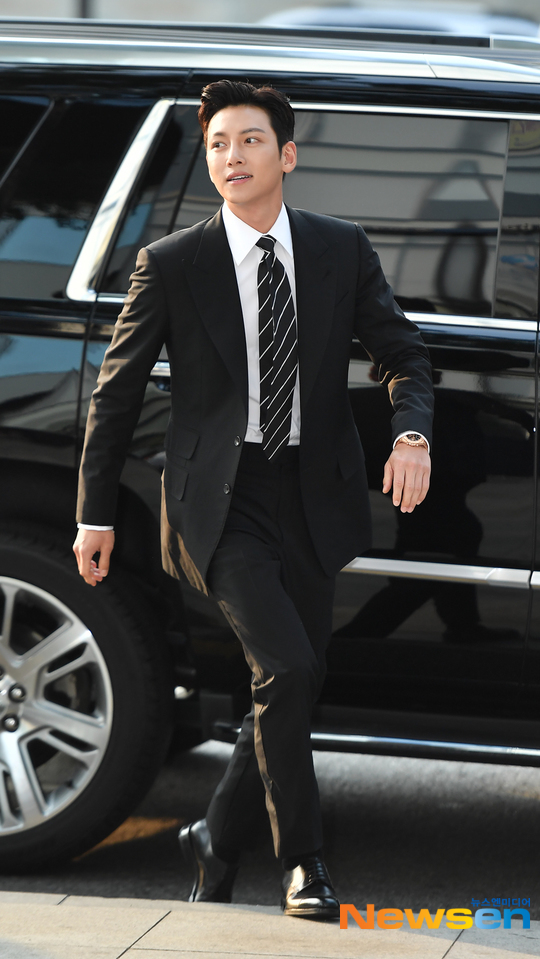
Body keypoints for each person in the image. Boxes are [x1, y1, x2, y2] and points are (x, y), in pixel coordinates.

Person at [73, 79, 433, 921]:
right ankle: (303, 861)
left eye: (250, 141)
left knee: (292, 681)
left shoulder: (340, 247)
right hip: (220, 502)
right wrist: (95, 513)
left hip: (314, 494)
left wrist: (411, 434)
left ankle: (214, 835)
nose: (231, 156)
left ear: (287, 155)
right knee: (290, 667)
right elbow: (116, 394)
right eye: (218, 144)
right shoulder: (173, 263)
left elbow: (403, 353)